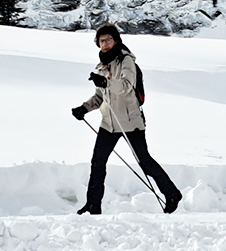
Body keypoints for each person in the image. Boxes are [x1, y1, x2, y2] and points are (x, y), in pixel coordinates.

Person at [71, 24, 181, 215]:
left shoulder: (126, 61)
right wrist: (83, 108)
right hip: (108, 123)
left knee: (144, 162)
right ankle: (93, 205)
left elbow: (126, 86)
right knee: (97, 163)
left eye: (108, 40)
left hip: (131, 123)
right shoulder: (102, 66)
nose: (104, 44)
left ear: (116, 40)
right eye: (101, 41)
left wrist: (105, 82)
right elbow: (100, 97)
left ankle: (172, 194)